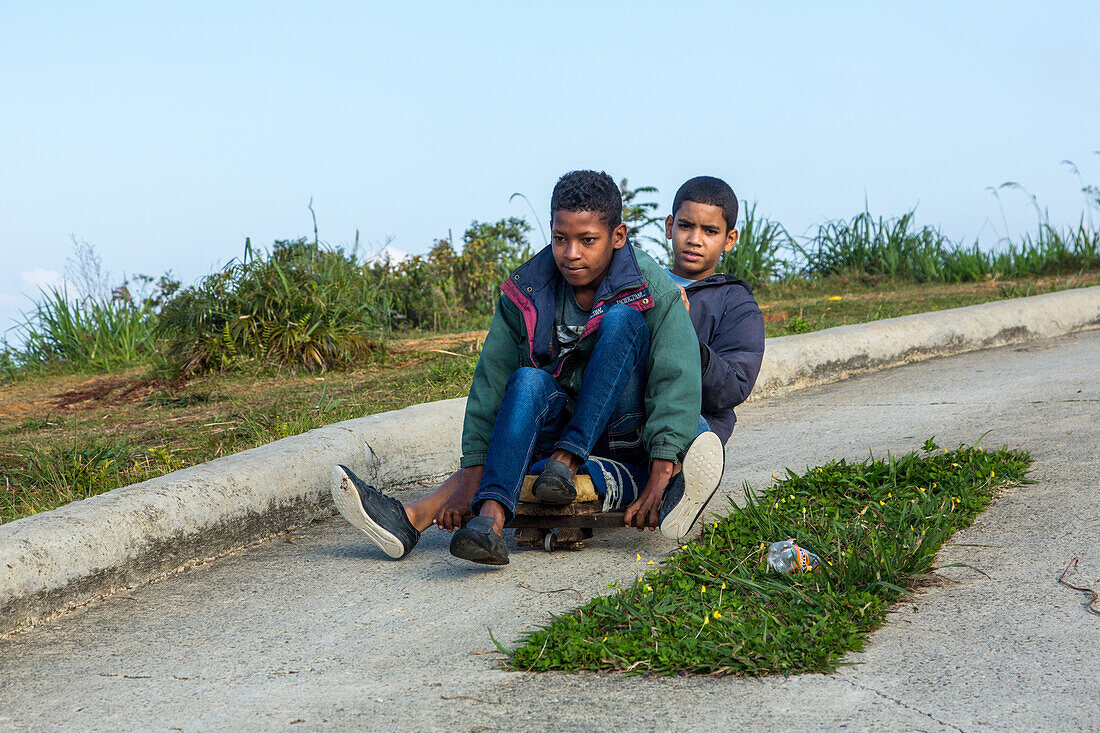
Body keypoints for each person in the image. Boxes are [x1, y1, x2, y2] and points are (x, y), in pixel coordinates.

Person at [331, 170, 724, 565]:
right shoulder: (528, 290)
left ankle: (610, 471)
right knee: (526, 380)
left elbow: (676, 377)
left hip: (626, 433)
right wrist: (472, 475)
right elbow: (491, 381)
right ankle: (488, 523)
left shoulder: (649, 287)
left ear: (618, 237)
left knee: (622, 322)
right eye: (560, 239)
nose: (571, 253)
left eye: (588, 240)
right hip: (555, 440)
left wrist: (660, 471)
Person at [662, 175, 765, 447]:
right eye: (685, 226)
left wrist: (681, 336)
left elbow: (735, 385)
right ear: (670, 226)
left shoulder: (735, 302)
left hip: (695, 418)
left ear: (729, 239)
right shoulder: (645, 284)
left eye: (710, 231)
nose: (695, 239)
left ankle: (690, 469)